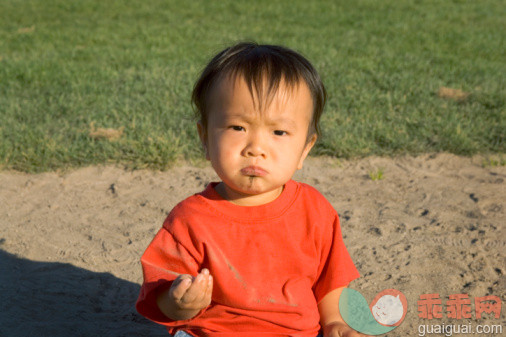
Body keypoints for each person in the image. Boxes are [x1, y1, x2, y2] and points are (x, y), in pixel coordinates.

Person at [136, 42, 362, 337]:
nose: (256, 148)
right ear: (204, 137)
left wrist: (336, 323)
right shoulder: (189, 219)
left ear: (305, 149)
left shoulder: (315, 211)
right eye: (237, 128)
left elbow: (330, 283)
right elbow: (161, 294)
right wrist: (179, 302)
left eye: (279, 132)